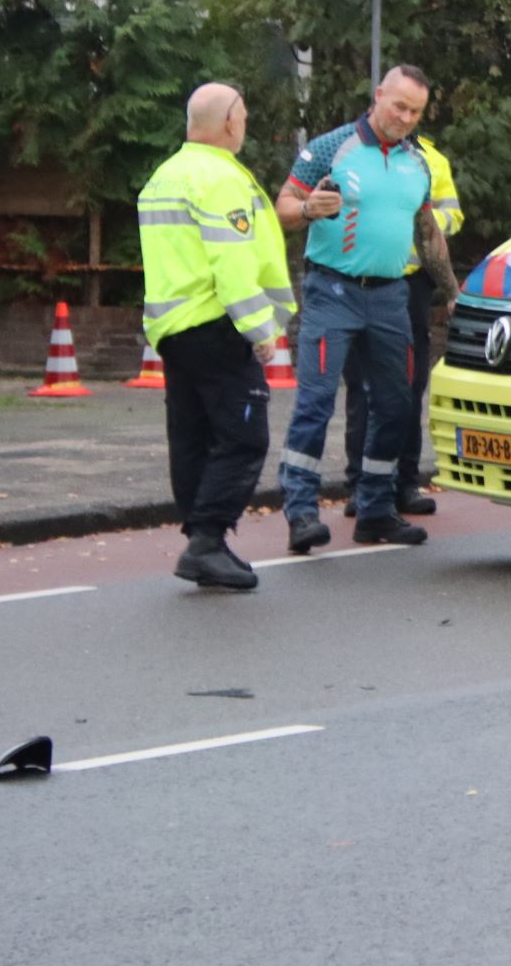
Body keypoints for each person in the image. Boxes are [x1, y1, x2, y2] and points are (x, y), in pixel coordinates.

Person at [274, 66, 439, 554]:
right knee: (315, 402)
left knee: (395, 405)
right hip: (333, 293)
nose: (406, 118)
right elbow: (282, 204)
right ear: (378, 96)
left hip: (391, 296)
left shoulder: (418, 163)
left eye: (416, 112)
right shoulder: (331, 148)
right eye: (399, 106)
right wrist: (307, 210)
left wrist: (451, 292)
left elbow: (428, 233)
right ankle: (301, 513)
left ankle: (375, 510)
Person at [137, 82, 293, 592]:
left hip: (172, 329)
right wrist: (260, 328)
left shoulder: (164, 177)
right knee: (245, 437)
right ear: (230, 122)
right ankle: (206, 541)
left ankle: (202, 540)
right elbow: (232, 261)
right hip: (217, 325)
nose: (244, 125)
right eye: (243, 116)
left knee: (192, 435)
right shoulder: (220, 179)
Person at [340, 131, 461, 515]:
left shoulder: (432, 159)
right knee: (362, 387)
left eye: (410, 109)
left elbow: (452, 215)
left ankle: (405, 483)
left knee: (408, 386)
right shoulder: (351, 151)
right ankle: (359, 485)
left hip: (410, 284)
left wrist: (417, 214)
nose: (402, 117)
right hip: (361, 279)